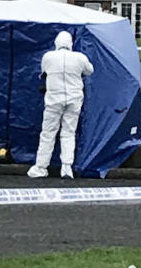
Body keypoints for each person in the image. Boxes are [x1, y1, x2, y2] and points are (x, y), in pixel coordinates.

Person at [27, 29, 94, 179]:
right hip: (74, 99)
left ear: (56, 43)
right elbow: (90, 70)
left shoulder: (48, 57)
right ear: (70, 44)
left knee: (48, 133)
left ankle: (41, 167)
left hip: (53, 100)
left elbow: (43, 71)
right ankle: (66, 167)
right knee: (69, 133)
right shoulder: (80, 57)